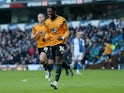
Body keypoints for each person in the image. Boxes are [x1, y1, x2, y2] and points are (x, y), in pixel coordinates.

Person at [45, 6, 70, 89]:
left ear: (55, 11)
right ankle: (67, 67)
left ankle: (56, 82)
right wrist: (46, 37)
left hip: (60, 43)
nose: (49, 13)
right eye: (48, 11)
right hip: (51, 44)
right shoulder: (47, 21)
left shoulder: (62, 20)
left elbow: (67, 31)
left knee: (58, 62)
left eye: (50, 11)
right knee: (54, 61)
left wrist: (63, 37)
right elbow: (47, 33)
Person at [31, 13, 50, 80]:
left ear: (44, 18)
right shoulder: (35, 26)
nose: (39, 18)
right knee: (43, 61)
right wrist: (35, 35)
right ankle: (47, 69)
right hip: (39, 46)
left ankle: (46, 71)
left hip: (47, 44)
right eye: (38, 17)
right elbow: (31, 37)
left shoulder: (47, 25)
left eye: (41, 17)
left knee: (41, 59)